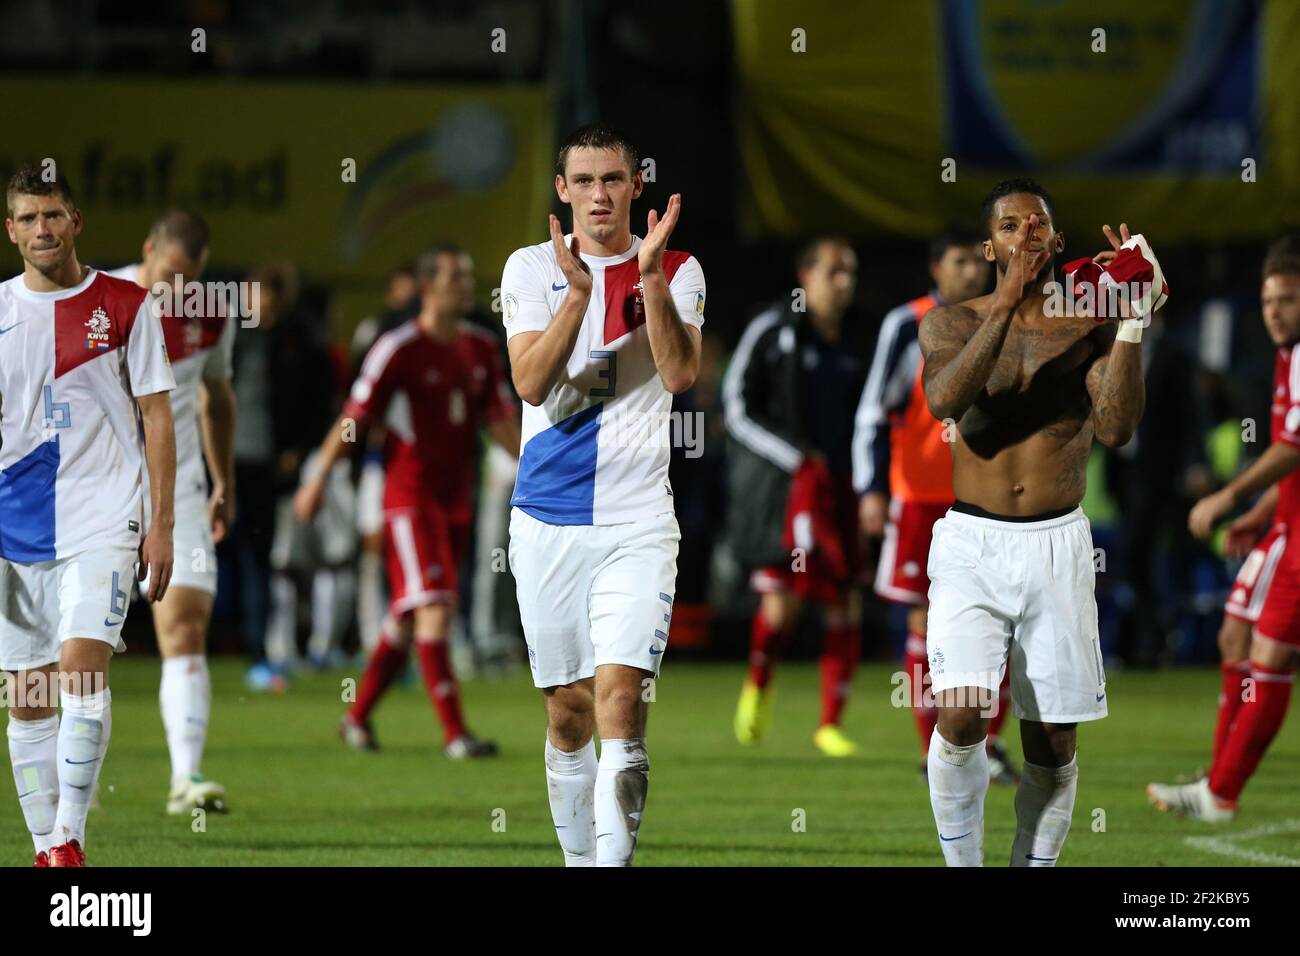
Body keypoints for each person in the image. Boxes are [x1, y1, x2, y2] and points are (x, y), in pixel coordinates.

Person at [918, 178, 1152, 866]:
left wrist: (1131, 320)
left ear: (1058, 242)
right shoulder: (950, 321)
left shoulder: (1091, 320)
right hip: (972, 542)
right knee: (960, 714)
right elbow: (945, 400)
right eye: (1012, 225)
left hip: (1058, 543)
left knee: (1052, 740)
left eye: (1039, 225)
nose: (1027, 234)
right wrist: (1011, 303)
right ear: (989, 245)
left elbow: (1116, 427)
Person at [500, 123, 705, 866]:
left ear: (635, 185)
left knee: (621, 704)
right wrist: (577, 296)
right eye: (583, 181)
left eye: (612, 179)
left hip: (638, 522)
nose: (598, 194)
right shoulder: (528, 268)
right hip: (546, 521)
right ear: (562, 191)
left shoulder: (678, 268)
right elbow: (529, 382)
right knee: (567, 714)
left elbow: (681, 375)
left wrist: (645, 277)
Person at [1, 166, 176, 866]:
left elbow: (157, 417)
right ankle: (48, 851)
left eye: (53, 215)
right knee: (28, 697)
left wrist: (161, 524)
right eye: (27, 218)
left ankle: (70, 838)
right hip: (14, 526)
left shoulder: (127, 304)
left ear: (76, 220)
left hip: (104, 514)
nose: (42, 229)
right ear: (10, 230)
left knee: (80, 670)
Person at [294, 244, 519, 758]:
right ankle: (456, 734)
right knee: (436, 606)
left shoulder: (481, 348)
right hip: (409, 500)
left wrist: (539, 472)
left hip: (457, 498)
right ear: (428, 287)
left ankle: (356, 717)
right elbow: (356, 417)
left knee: (407, 617)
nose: (467, 285)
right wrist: (318, 477)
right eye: (456, 277)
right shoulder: (397, 347)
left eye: (468, 276)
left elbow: (502, 421)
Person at [853, 230, 1017, 781]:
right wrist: (871, 488)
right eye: (961, 260)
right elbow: (875, 410)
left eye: (979, 260)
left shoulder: (1005, 316)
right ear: (936, 267)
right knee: (925, 621)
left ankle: (987, 745)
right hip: (922, 496)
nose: (972, 271)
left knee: (1003, 621)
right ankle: (936, 749)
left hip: (988, 495)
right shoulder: (908, 323)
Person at [1147, 249, 1300, 820]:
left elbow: (1291, 447)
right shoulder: (1288, 356)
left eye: (1287, 299)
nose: (1274, 311)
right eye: (1267, 300)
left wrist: (1230, 495)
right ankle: (1218, 780)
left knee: (1271, 654)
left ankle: (1222, 791)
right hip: (1286, 521)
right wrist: (1263, 510)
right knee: (1235, 638)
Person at [105, 209, 234, 815]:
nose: (174, 292)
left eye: (188, 280)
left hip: (175, 488)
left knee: (184, 625)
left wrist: (223, 482)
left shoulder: (211, 315)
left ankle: (186, 779)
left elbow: (217, 396)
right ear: (146, 249)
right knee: (81, 646)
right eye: (166, 275)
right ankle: (69, 789)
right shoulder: (99, 299)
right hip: (96, 488)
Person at [725, 237, 869, 756]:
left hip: (843, 492)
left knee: (846, 601)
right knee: (781, 608)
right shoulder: (774, 328)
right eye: (833, 271)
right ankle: (757, 689)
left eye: (849, 271)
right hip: (787, 496)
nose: (844, 282)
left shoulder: (858, 339)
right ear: (804, 276)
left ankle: (830, 723)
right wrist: (795, 458)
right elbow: (736, 407)